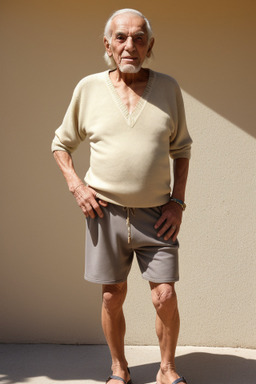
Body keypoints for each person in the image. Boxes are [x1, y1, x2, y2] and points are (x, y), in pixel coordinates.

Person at [51, 8, 192, 384]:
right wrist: (77, 186)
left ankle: (166, 369)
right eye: (121, 37)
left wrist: (178, 202)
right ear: (108, 44)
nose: (130, 45)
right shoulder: (89, 88)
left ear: (150, 46)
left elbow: (182, 149)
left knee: (164, 295)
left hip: (157, 214)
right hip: (105, 214)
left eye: (139, 38)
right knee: (112, 296)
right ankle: (119, 368)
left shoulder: (169, 88)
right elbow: (60, 144)